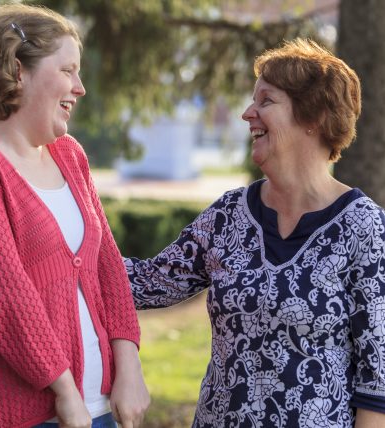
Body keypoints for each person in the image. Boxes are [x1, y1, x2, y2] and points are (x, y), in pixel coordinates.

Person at [125, 38, 385, 427]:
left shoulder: (365, 229)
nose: (248, 113)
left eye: (266, 101)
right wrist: (60, 240)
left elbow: (377, 380)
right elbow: (145, 283)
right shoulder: (229, 216)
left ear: (312, 116)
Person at [0, 4, 149, 428]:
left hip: (99, 407)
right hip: (12, 414)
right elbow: (6, 295)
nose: (81, 87)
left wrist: (130, 368)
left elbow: (107, 266)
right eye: (69, 70)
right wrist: (65, 393)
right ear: (19, 71)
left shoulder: (69, 156)